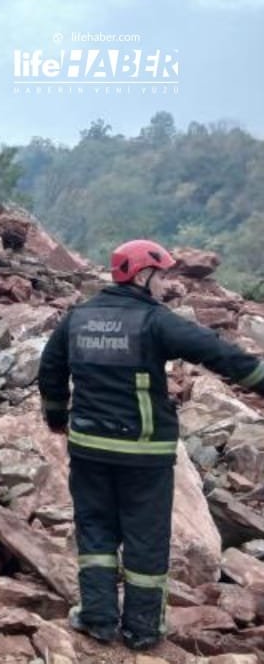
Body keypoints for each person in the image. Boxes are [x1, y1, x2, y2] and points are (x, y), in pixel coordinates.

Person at [38, 239, 264, 651]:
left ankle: (98, 619)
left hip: (88, 447)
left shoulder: (79, 319)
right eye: (162, 277)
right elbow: (217, 353)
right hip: (144, 453)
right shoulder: (155, 321)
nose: (165, 286)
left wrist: (56, 418)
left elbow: (50, 370)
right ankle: (142, 630)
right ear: (143, 276)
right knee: (145, 537)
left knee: (95, 531)